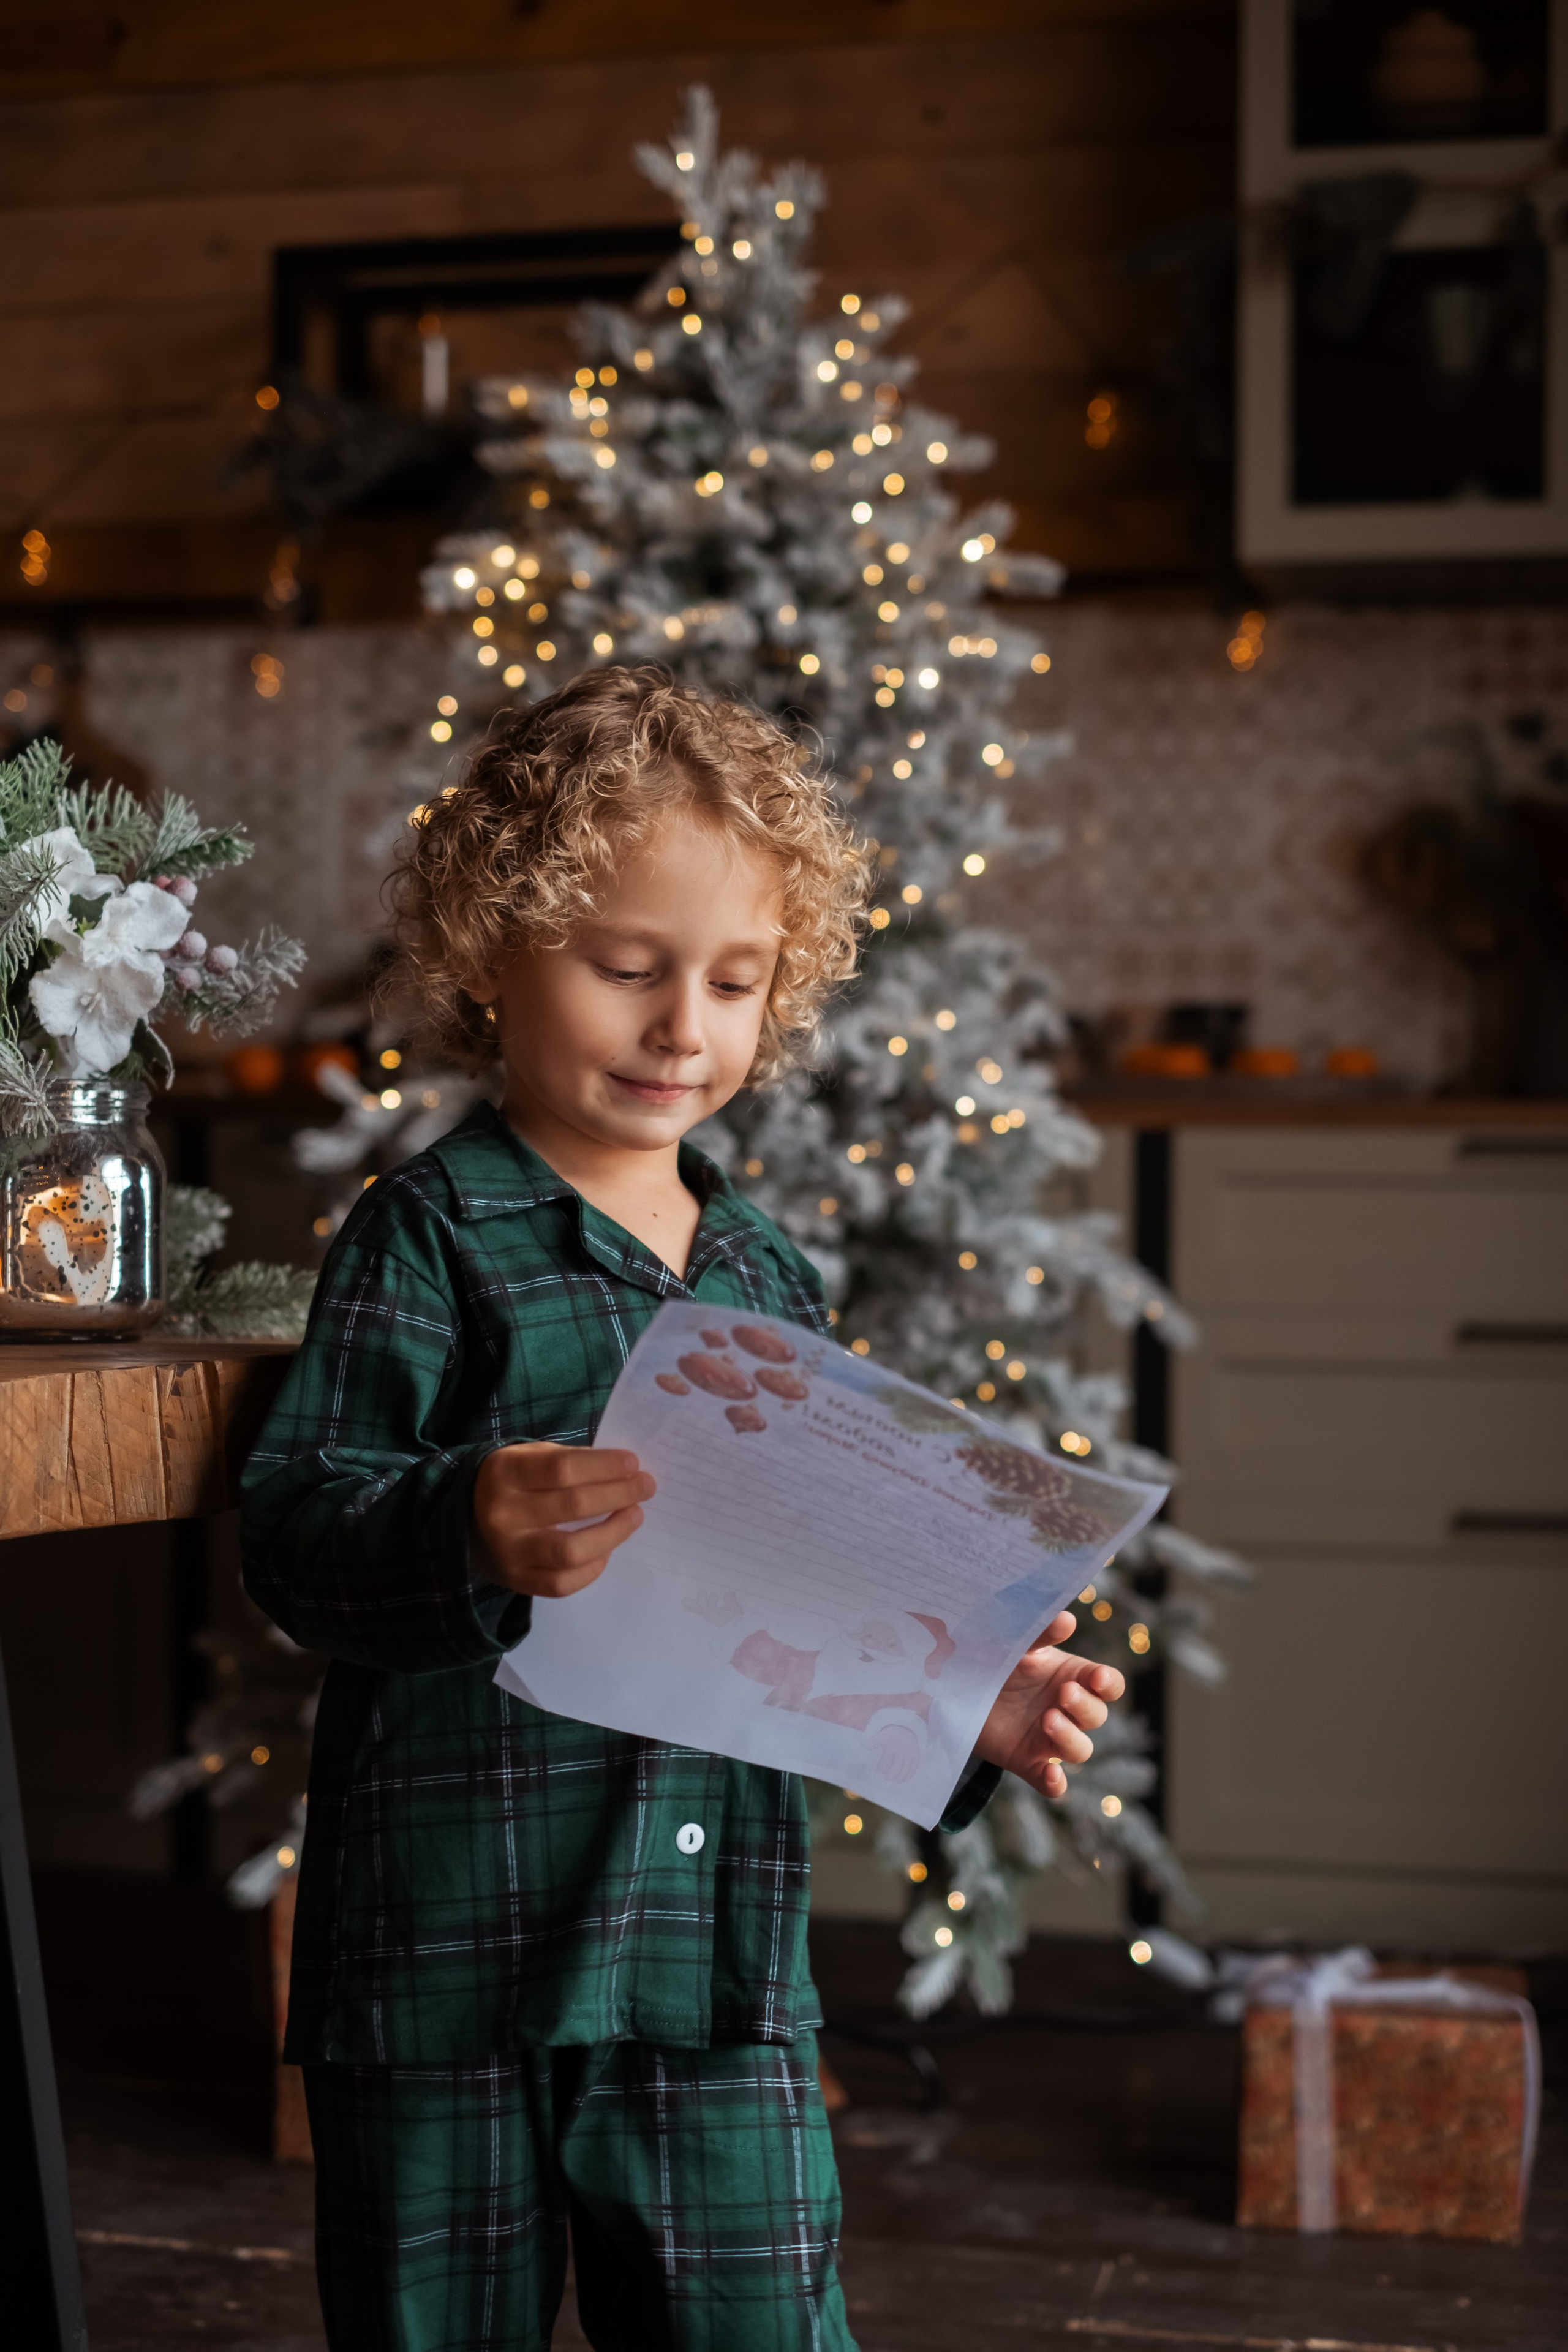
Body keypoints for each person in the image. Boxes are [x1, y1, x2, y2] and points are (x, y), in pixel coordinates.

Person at [242, 666, 1125, 2352]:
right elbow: (296, 1535)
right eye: (628, 968)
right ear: (492, 947)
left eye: (734, 982)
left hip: (709, 1971)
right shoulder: (426, 1240)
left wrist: (965, 1689)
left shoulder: (760, 1271)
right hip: (452, 1959)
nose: (682, 1028)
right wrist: (463, 1527)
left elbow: (803, 1588)